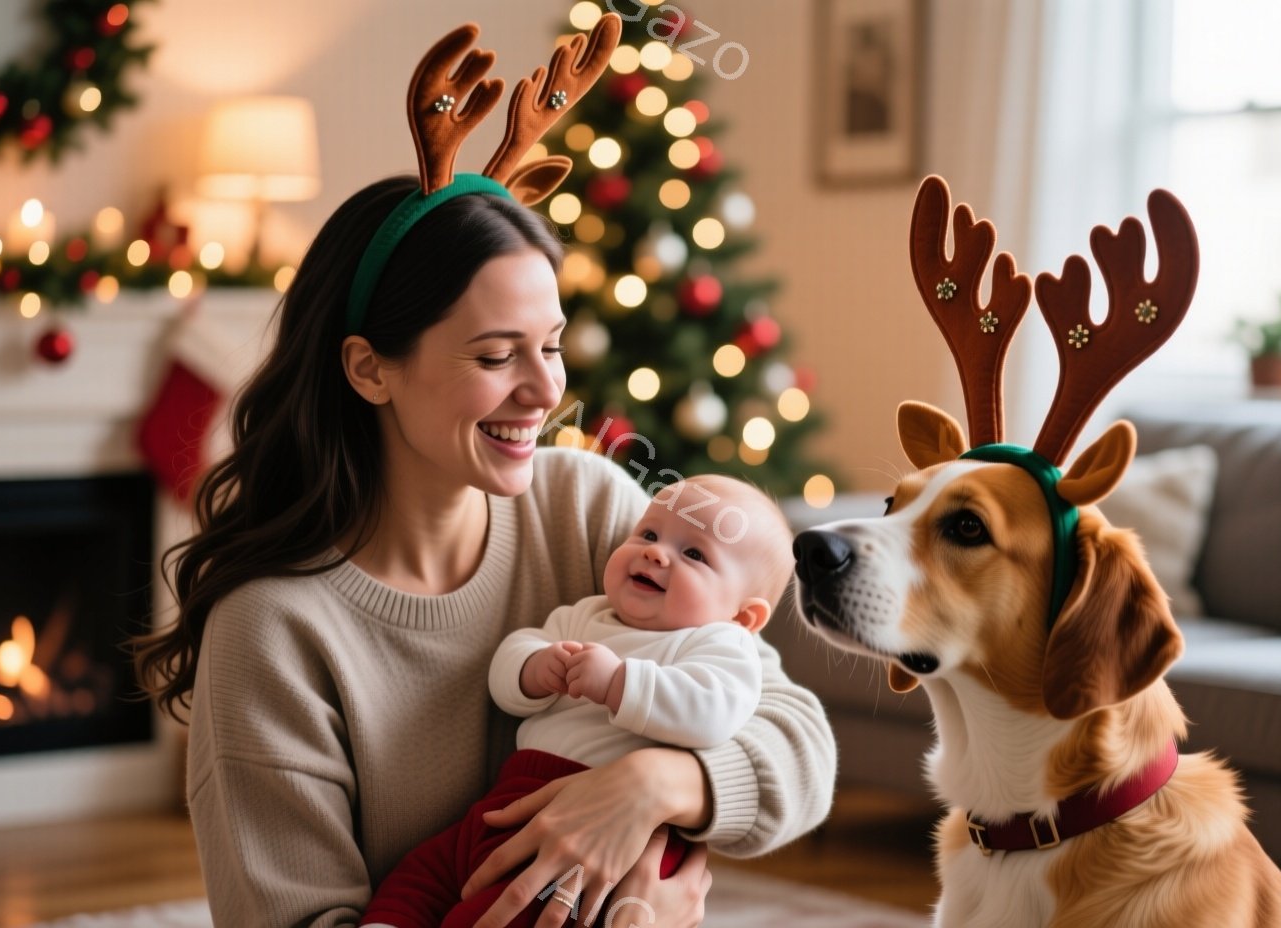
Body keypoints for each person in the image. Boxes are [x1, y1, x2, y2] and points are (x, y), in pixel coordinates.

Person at [132, 173, 837, 928]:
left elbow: (799, 744)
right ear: (370, 368)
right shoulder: (272, 629)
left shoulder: (588, 508)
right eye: (498, 356)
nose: (545, 390)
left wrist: (651, 787)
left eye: (552, 346)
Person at [361, 475, 795, 927]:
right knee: (427, 873)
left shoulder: (721, 644)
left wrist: (619, 683)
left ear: (744, 616)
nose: (655, 552)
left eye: (694, 554)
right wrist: (533, 669)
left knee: (509, 910)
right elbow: (515, 658)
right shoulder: (585, 614)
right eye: (648, 533)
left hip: (614, 832)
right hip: (514, 797)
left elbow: (714, 712)